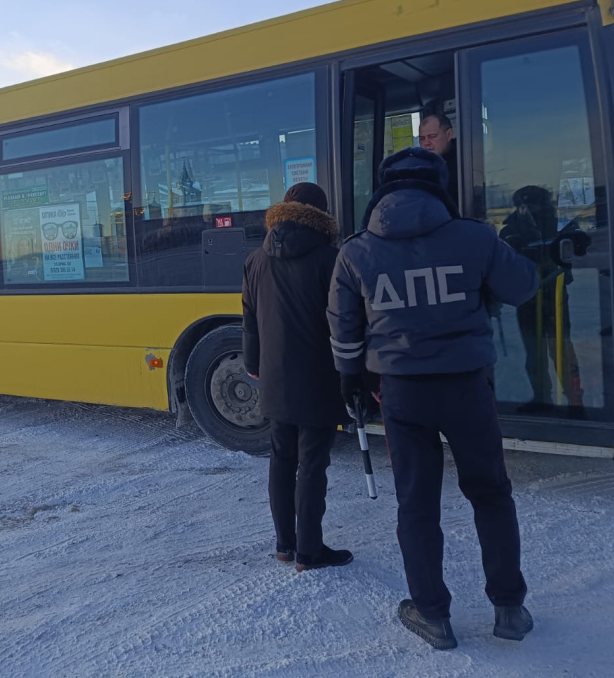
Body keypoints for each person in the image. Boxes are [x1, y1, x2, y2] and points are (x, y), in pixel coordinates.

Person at [327, 148, 539, 650]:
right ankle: (509, 609)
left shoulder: (357, 251)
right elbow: (524, 286)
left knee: (416, 506)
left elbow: (343, 326)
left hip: (401, 394)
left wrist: (349, 378)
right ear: (439, 185)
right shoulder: (474, 236)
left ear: (382, 190)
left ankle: (433, 615)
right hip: (468, 388)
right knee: (490, 493)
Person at [242, 182, 353, 573]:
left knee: (280, 459)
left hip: (273, 376)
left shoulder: (256, 259)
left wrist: (254, 365)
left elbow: (251, 321)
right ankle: (310, 551)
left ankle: (284, 545)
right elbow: (345, 322)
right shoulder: (332, 259)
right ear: (321, 215)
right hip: (319, 378)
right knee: (312, 465)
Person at [499, 185, 590, 415]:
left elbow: (582, 244)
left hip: (556, 291)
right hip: (527, 296)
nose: (527, 209)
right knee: (533, 351)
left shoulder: (562, 225)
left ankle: (575, 400)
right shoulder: (511, 229)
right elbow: (505, 257)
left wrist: (576, 241)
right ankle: (541, 398)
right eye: (522, 205)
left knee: (561, 348)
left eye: (533, 204)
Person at [418, 113, 458, 209]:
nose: (426, 143)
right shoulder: (418, 166)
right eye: (422, 138)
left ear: (449, 135)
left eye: (432, 136)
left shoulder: (464, 160)